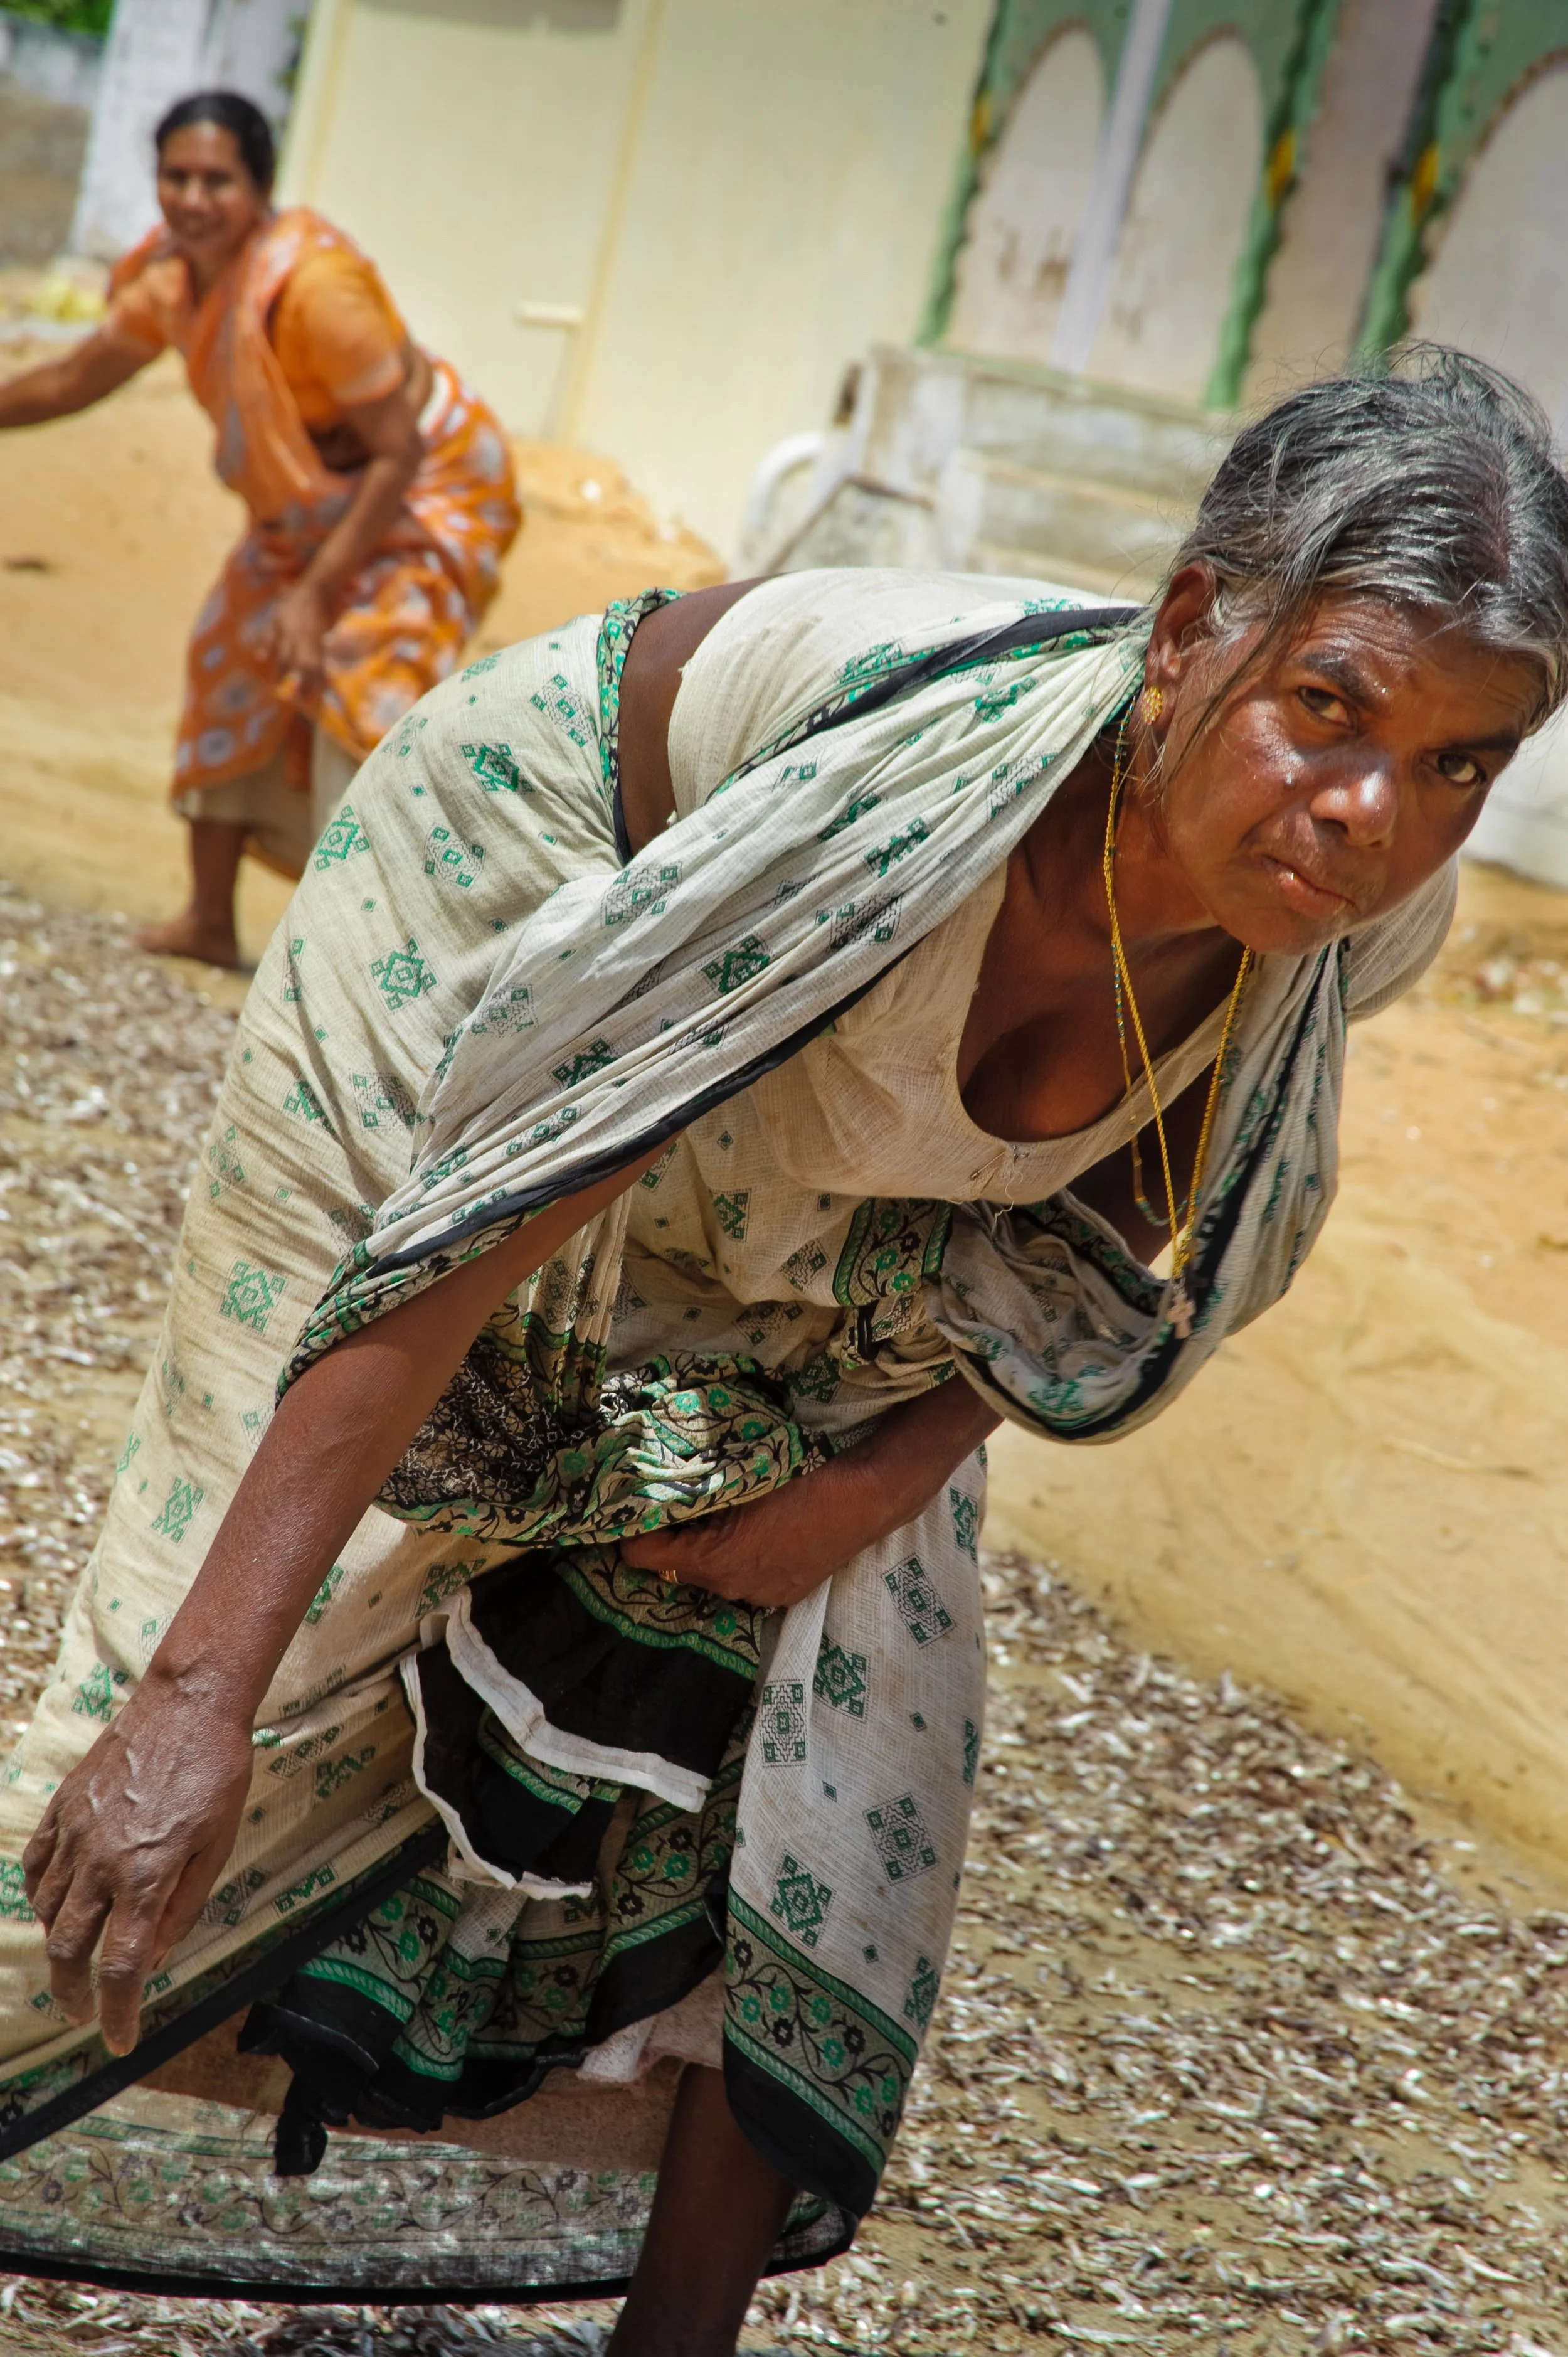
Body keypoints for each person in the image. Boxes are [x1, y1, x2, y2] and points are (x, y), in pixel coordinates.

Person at [0, 351, 1564, 2347]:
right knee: (256, 1631)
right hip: (525, 912)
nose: (1366, 813)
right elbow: (487, 1210)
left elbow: (1087, 1246)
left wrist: (846, 1492)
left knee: (863, 1705)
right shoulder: (904, 813)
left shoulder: (1337, 927)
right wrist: (195, 1699)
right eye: (1328, 706)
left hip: (837, 1152)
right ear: (1188, 633)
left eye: (1458, 765)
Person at [0, 89, 520, 968]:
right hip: (312, 507)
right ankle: (209, 920)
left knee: (364, 689)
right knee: (230, 650)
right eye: (177, 178)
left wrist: (316, 599)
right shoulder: (173, 285)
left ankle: (353, 957)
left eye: (218, 181)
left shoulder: (319, 292)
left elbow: (396, 454)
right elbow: (76, 378)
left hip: (424, 492)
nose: (194, 200)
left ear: (260, 189)